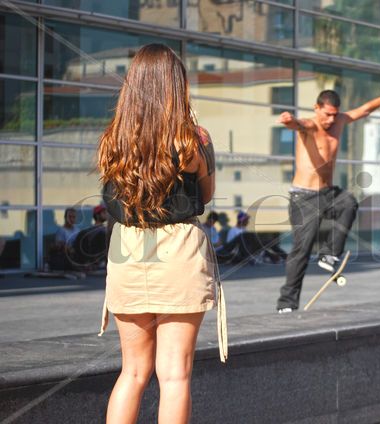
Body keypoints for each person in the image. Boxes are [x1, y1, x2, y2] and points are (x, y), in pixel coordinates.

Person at [96, 43, 227, 424]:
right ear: (177, 84)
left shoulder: (114, 139)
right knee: (174, 374)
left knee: (133, 372)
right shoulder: (193, 139)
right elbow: (204, 195)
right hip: (179, 250)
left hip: (128, 249)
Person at [276, 75, 380, 313]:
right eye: (326, 114)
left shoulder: (339, 122)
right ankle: (286, 303)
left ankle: (329, 255)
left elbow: (365, 109)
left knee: (349, 202)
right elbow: (297, 124)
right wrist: (289, 121)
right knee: (301, 249)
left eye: (334, 114)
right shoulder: (309, 125)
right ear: (316, 108)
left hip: (327, 192)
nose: (330, 119)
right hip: (303, 197)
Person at [70, 204, 109, 269]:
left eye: (106, 212)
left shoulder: (104, 229)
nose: (106, 214)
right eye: (104, 212)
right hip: (94, 262)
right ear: (97, 215)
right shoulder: (90, 232)